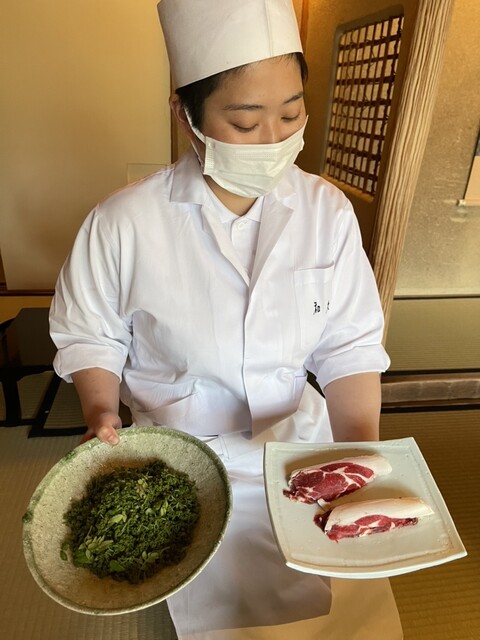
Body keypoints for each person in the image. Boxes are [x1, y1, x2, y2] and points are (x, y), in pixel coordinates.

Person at [49, 0, 403, 637]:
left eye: (290, 115)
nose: (274, 141)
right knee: (236, 621)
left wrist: (358, 458)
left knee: (356, 617)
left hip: (305, 449)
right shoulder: (124, 222)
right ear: (186, 115)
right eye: (245, 121)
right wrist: (101, 413)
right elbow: (89, 333)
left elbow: (349, 346)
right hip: (185, 461)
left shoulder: (326, 211)